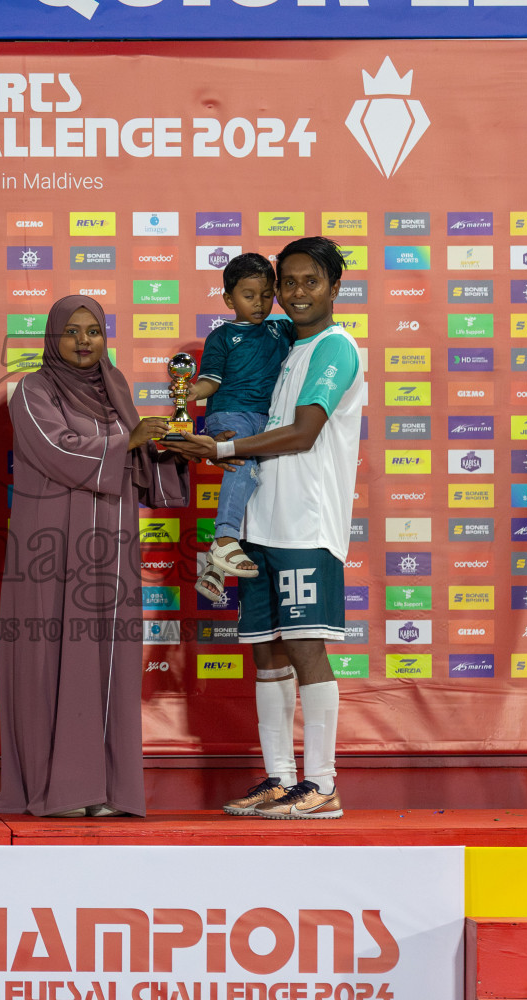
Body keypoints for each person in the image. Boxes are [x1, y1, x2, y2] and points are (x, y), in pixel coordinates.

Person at [164, 237, 362, 820]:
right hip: (260, 522)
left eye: (311, 281)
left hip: (306, 523)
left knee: (304, 646)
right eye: (289, 283)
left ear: (334, 286)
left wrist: (222, 443)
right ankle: (280, 778)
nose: (298, 293)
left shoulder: (334, 348)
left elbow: (302, 433)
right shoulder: (283, 347)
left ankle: (321, 785)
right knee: (266, 651)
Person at [0, 295, 191, 817]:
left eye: (94, 331)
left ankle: (104, 790)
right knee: (49, 662)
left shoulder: (116, 386)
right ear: (52, 337)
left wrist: (165, 446)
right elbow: (55, 451)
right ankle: (54, 790)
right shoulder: (32, 391)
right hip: (51, 548)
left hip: (113, 546)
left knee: (107, 664)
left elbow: (141, 464)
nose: (84, 341)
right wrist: (129, 441)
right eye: (72, 331)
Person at [184, 252, 293, 604]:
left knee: (256, 487)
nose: (259, 303)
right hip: (230, 415)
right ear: (229, 299)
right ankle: (226, 538)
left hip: (267, 421)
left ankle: (215, 568)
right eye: (249, 296)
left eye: (266, 295)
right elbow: (209, 382)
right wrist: (187, 391)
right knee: (242, 465)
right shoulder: (221, 337)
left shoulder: (282, 329)